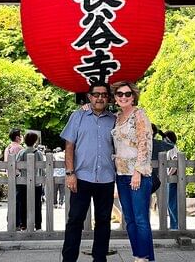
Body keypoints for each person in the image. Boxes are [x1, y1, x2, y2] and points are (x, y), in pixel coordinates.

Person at [61, 82, 117, 262]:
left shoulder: (114, 120)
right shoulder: (78, 116)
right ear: (89, 97)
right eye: (96, 94)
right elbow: (69, 145)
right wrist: (70, 173)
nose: (100, 98)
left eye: (104, 95)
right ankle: (69, 259)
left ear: (108, 98)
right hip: (81, 177)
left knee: (103, 221)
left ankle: (99, 259)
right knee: (75, 220)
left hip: (106, 178)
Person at [111, 81, 155, 262]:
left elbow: (145, 143)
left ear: (133, 96)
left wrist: (138, 171)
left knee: (140, 218)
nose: (123, 97)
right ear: (115, 97)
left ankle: (143, 257)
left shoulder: (139, 115)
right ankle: (140, 255)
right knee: (129, 219)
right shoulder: (116, 118)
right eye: (119, 94)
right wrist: (85, 107)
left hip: (137, 174)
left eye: (127, 94)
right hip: (121, 175)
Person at [16, 131, 44, 230]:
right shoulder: (39, 153)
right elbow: (43, 167)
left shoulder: (22, 152)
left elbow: (17, 166)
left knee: (23, 204)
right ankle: (38, 225)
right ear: (35, 141)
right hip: (37, 182)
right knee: (37, 204)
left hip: (23, 182)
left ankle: (23, 224)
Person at [163, 130, 180, 230]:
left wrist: (168, 175)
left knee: (172, 202)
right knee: (170, 202)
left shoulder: (172, 147)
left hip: (172, 179)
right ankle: (174, 225)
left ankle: (174, 226)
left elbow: (175, 163)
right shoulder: (170, 148)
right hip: (170, 179)